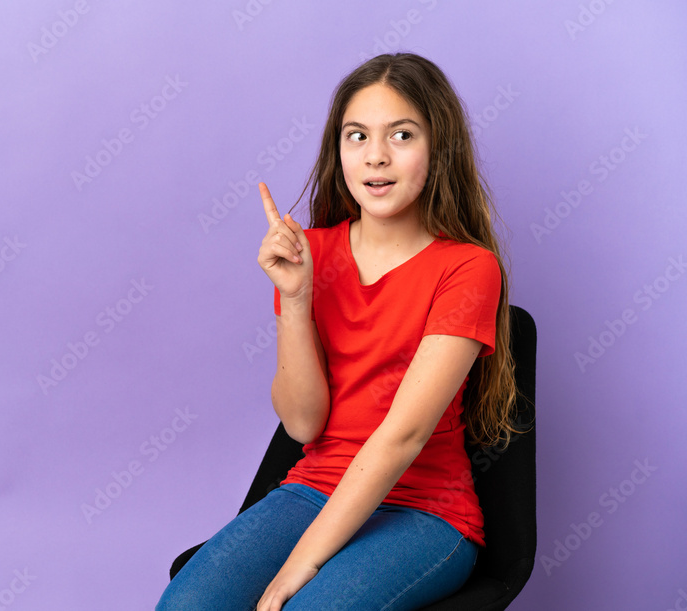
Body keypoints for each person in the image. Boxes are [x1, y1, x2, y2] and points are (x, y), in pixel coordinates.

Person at [156, 52, 521, 611]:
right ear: (339, 150)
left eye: (402, 135)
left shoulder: (468, 268)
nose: (376, 155)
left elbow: (403, 437)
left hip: (424, 512)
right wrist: (296, 298)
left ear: (439, 148)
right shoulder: (309, 254)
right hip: (313, 488)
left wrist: (302, 563)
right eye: (357, 136)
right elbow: (303, 424)